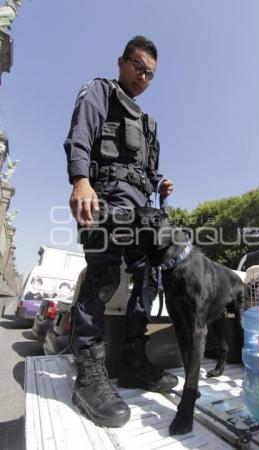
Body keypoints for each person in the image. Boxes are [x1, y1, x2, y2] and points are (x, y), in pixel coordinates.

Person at [64, 35, 177, 428]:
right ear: (121, 61)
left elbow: (146, 170)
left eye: (150, 73)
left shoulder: (148, 123)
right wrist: (80, 179)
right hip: (105, 199)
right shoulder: (101, 91)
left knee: (147, 277)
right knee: (104, 277)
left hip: (140, 209)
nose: (143, 77)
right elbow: (80, 135)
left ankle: (132, 359)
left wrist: (160, 183)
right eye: (138, 67)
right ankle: (88, 373)